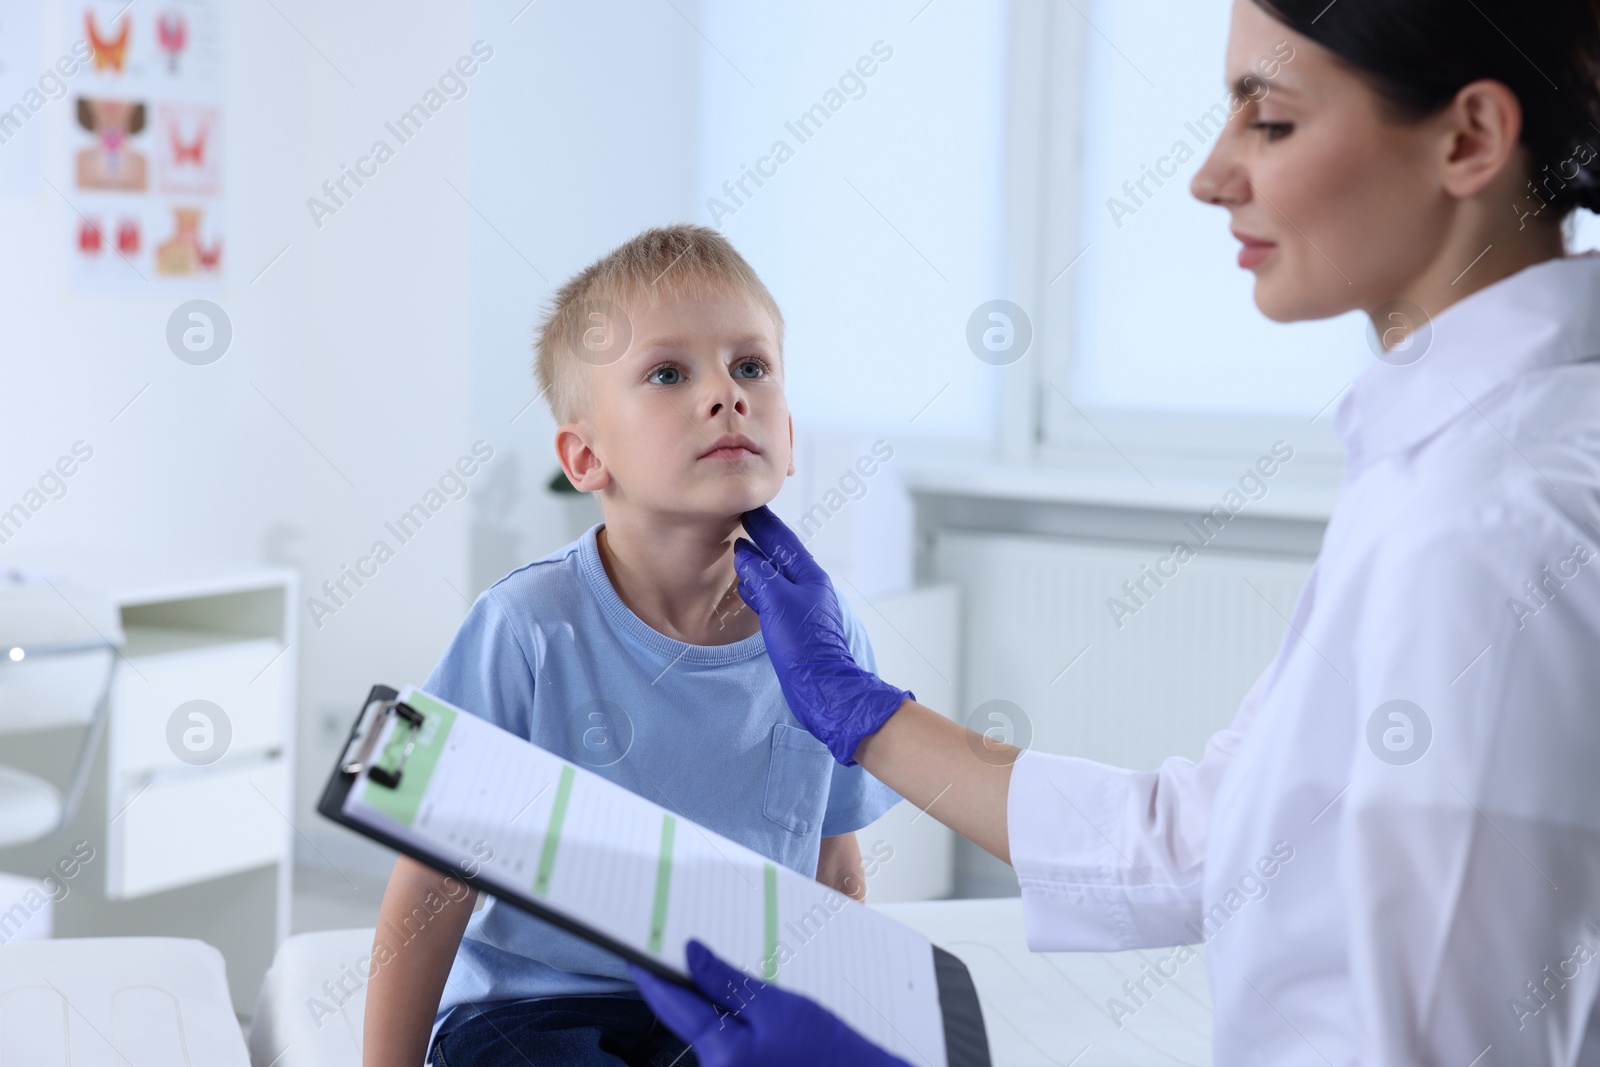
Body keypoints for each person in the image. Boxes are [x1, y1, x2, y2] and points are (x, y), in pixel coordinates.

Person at [632, 0, 1600, 1063]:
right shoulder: (1442, 461)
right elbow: (1206, 842)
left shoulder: (1490, 528)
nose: (1209, 175)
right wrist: (865, 714)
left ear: (1467, 139)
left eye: (1267, 121)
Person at [361, 225, 900, 1067]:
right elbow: (432, 879)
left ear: (788, 438)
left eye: (750, 366)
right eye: (668, 373)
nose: (725, 393)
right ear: (584, 456)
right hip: (542, 1008)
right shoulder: (524, 624)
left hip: (735, 1007)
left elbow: (835, 867)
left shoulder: (830, 638)